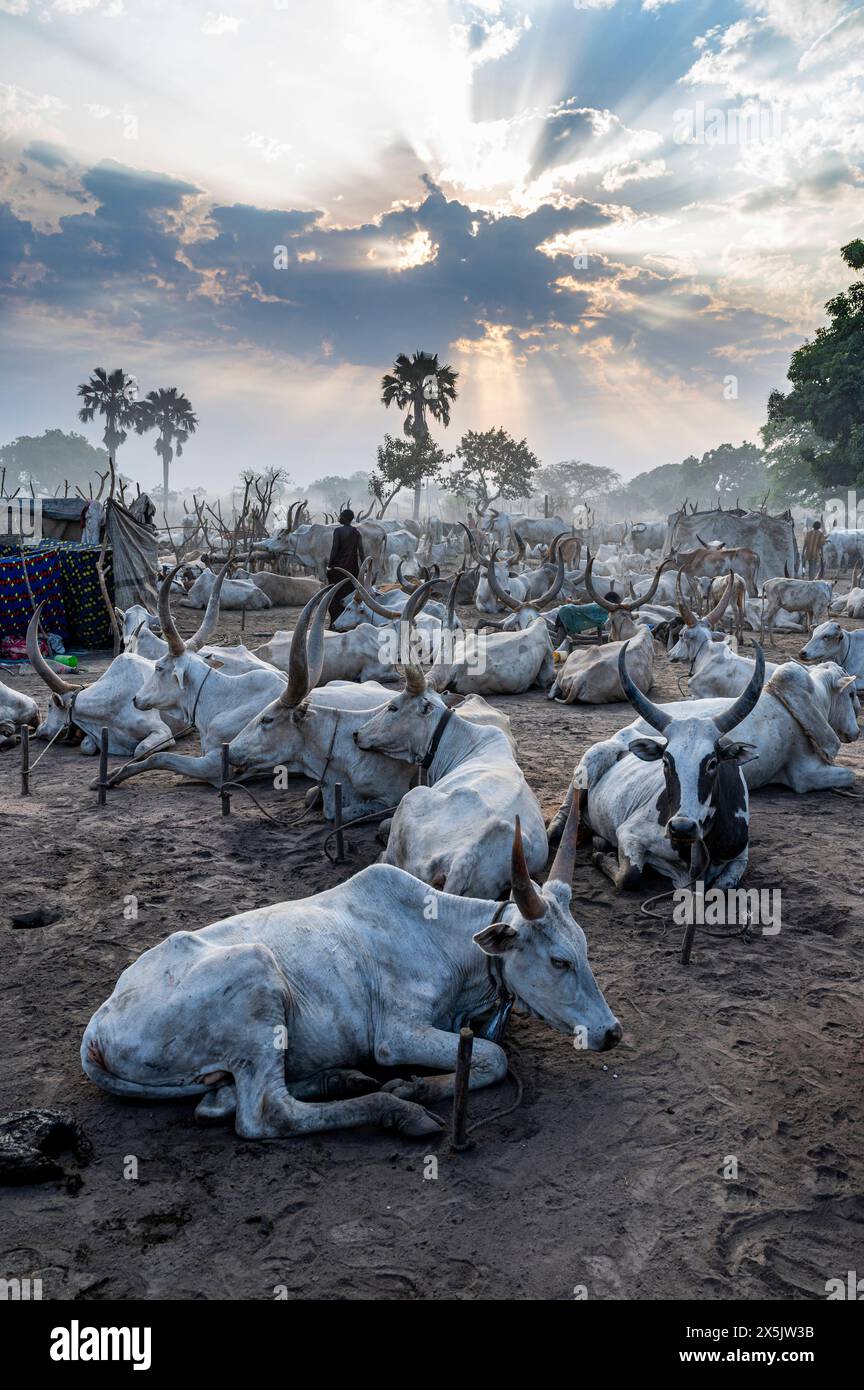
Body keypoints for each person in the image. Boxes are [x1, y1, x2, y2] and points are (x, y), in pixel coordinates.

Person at [326, 508, 365, 624]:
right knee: (350, 597)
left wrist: (329, 566)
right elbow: (362, 553)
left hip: (339, 570)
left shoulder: (338, 531)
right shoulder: (357, 533)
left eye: (341, 516)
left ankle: (334, 622)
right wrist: (365, 568)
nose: (339, 517)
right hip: (353, 571)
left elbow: (334, 550)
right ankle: (347, 622)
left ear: (346, 518)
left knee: (335, 597)